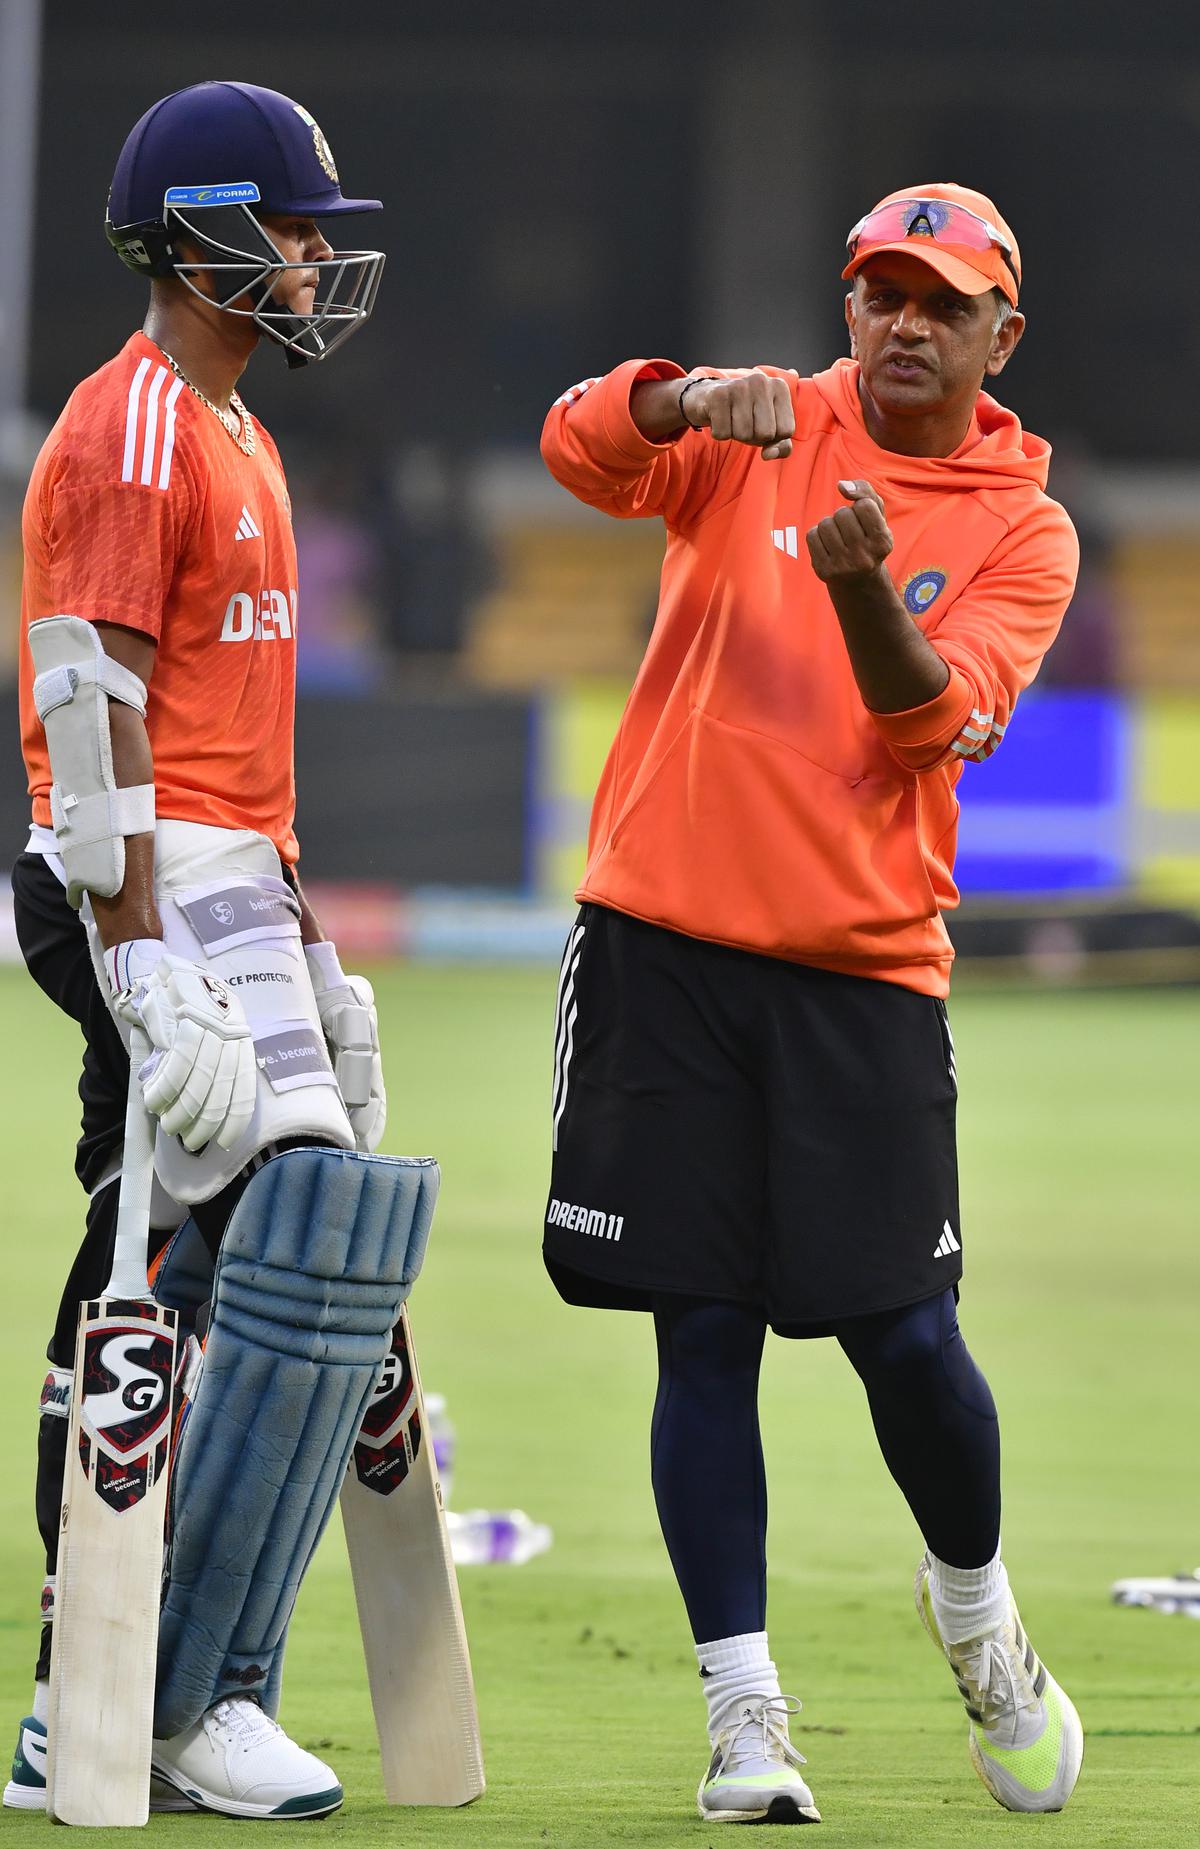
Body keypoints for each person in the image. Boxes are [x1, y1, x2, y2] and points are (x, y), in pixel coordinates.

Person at [540, 184, 1084, 1824]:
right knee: (696, 1329)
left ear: (1003, 333)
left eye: (941, 299)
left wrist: (860, 587)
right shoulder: (757, 422)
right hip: (666, 939)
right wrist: (682, 395)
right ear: (848, 307)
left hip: (861, 970)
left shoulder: (1022, 523)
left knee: (906, 1337)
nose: (904, 322)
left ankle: (980, 1622)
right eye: (879, 292)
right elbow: (580, 448)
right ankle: (746, 1714)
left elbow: (934, 729)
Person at [6, 82, 390, 1819]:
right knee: (151, 1276)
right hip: (139, 885)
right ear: (208, 234)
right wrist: (142, 959)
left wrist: (301, 953)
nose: (318, 255)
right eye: (296, 224)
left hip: (232, 884)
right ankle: (91, 1681)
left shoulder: (240, 430)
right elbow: (86, 715)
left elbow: (237, 738)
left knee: (279, 1269)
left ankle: (190, 1677)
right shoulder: (135, 425)